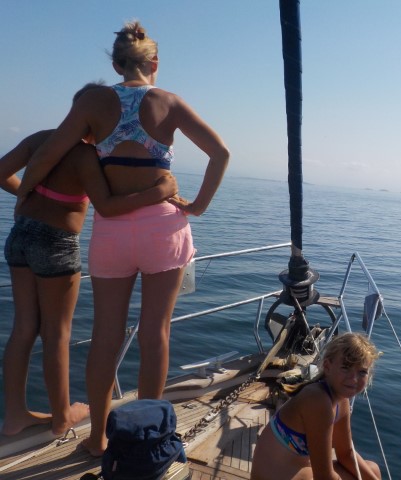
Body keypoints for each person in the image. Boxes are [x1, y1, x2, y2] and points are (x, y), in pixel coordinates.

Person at [17, 21, 230, 455]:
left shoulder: (93, 101)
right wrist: (198, 206)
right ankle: (144, 441)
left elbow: (49, 153)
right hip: (163, 229)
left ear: (115, 64)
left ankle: (97, 439)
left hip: (112, 231)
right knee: (155, 333)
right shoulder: (169, 102)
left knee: (105, 336)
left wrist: (24, 195)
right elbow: (220, 153)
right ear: (154, 63)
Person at [0, 83, 179, 436]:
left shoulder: (40, 139)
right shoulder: (87, 156)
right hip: (56, 242)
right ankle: (61, 417)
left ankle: (15, 416)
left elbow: (1, 170)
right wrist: (159, 192)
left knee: (23, 327)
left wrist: (29, 194)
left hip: (20, 234)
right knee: (57, 333)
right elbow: (108, 206)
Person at [251, 333, 383, 480]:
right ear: (327, 366)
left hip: (299, 469)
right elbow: (324, 476)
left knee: (373, 469)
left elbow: (346, 453)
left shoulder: (342, 401)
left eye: (362, 372)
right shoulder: (318, 400)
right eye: (345, 368)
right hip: (276, 475)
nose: (353, 379)